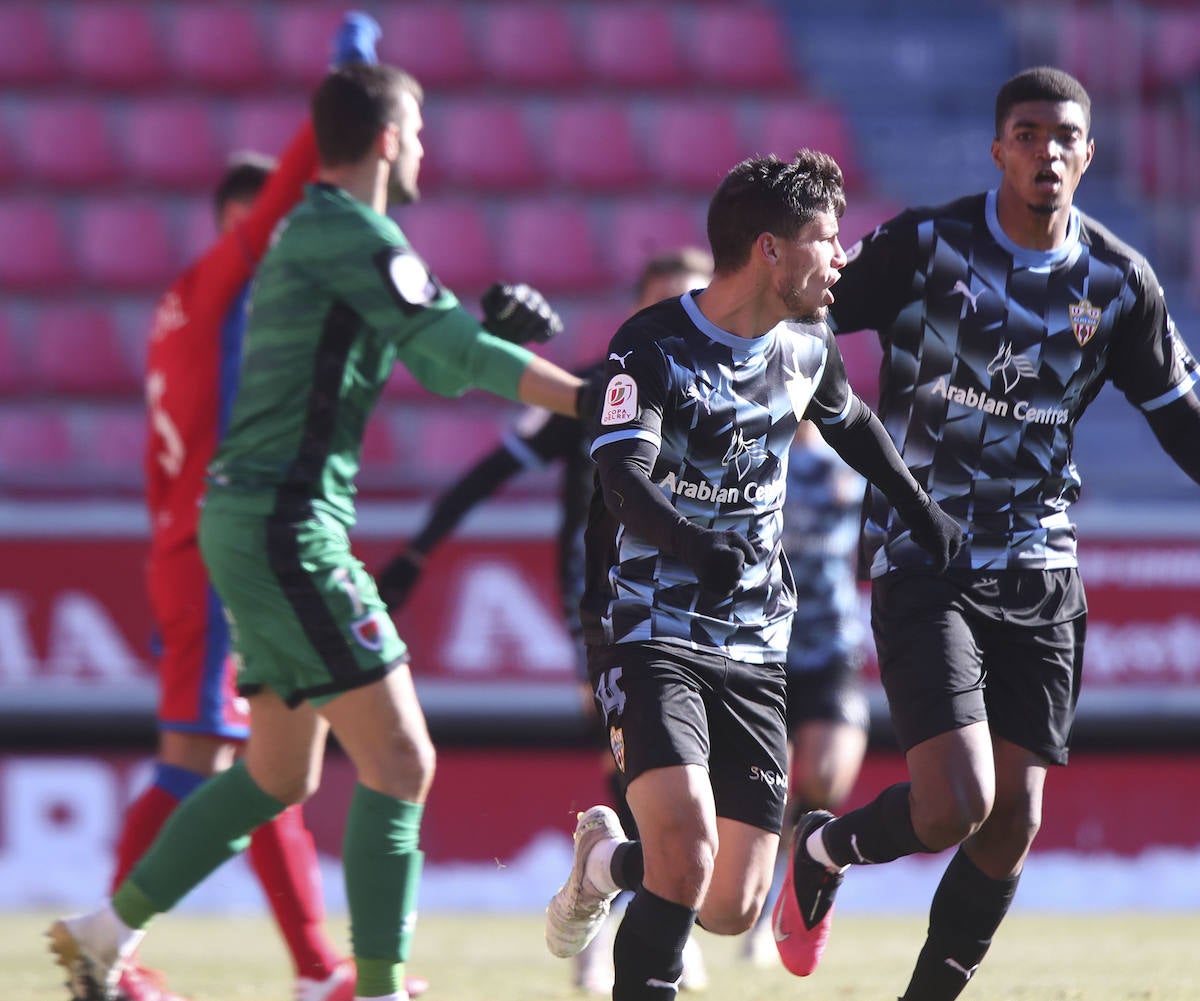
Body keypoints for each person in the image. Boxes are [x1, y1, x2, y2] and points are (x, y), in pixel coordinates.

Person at [49, 60, 596, 1001]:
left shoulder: (315, 233)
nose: (424, 147)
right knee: (402, 758)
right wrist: (598, 400)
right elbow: (452, 355)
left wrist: (485, 332)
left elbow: (422, 355)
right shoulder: (353, 232)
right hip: (289, 526)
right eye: (416, 130)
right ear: (387, 139)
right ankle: (375, 990)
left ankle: (106, 931)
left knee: (273, 773)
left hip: (249, 520)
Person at [771, 66, 1200, 1000]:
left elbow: (1172, 410)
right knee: (953, 802)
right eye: (1027, 133)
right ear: (998, 149)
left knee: (1011, 821)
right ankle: (823, 849)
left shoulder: (1118, 280)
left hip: (1040, 565)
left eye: (1064, 136)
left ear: (1089, 154)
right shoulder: (926, 247)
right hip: (924, 548)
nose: (1046, 150)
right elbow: (808, 312)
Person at [542, 149, 964, 1001]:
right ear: (770, 249)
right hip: (653, 631)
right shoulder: (654, 343)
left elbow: (854, 429)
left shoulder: (808, 347)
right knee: (687, 852)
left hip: (756, 647)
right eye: (825, 238)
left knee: (730, 903)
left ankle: (598, 859)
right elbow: (621, 477)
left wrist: (922, 510)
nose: (840, 257)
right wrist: (696, 546)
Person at [113, 16, 423, 1001]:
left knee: (268, 764)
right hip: (225, 551)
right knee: (197, 759)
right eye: (269, 223)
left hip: (189, 539)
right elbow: (306, 173)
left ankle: (311, 965)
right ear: (239, 223)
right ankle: (109, 946)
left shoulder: (181, 306)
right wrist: (348, 73)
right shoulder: (226, 284)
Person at [373, 246, 716, 994]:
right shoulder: (593, 389)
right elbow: (490, 470)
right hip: (607, 601)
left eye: (688, 299)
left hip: (701, 599)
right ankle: (633, 925)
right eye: (660, 299)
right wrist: (418, 551)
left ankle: (642, 898)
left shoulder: (726, 386)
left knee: (689, 763)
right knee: (632, 757)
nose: (674, 316)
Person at [738, 416, 870, 967]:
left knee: (823, 776)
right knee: (756, 789)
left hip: (833, 647)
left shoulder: (855, 464)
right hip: (760, 649)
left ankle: (783, 897)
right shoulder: (747, 460)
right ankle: (748, 899)